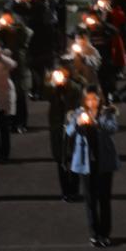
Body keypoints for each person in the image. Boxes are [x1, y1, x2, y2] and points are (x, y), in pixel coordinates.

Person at [65, 86, 120, 248]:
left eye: (94, 98)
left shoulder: (107, 112)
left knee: (104, 199)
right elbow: (69, 131)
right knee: (90, 200)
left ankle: (105, 233)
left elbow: (113, 128)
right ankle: (94, 233)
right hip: (86, 163)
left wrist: (96, 123)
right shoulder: (78, 113)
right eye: (88, 99)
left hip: (104, 162)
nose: (91, 102)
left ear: (99, 98)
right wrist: (78, 123)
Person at [0, 10, 32, 133]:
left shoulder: (19, 30)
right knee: (0, 96)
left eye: (8, 19)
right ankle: (5, 123)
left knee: (19, 95)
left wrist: (15, 29)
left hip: (16, 68)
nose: (6, 22)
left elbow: (28, 35)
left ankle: (20, 123)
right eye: (3, 19)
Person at [44, 65, 83, 201]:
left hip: (72, 127)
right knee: (60, 160)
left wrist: (65, 86)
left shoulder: (74, 87)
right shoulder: (52, 87)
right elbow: (45, 94)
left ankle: (74, 191)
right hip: (57, 127)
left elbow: (77, 96)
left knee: (73, 159)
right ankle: (65, 191)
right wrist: (53, 85)